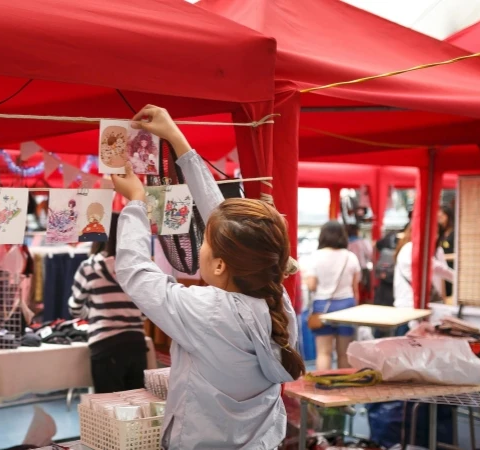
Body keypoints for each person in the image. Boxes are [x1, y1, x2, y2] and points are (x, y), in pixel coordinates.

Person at [111, 105, 303, 449]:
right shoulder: (277, 302)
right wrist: (177, 141)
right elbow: (223, 219)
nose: (199, 245)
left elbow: (135, 271)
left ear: (219, 265)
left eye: (205, 242)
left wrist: (137, 203)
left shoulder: (206, 310)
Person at [68, 213, 147, 393]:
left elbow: (75, 308)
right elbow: (146, 310)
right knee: (135, 409)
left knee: (109, 412)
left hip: (105, 345)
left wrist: (95, 313)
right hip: (136, 343)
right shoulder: (138, 267)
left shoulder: (89, 267)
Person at [303, 221, 361, 371]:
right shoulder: (350, 257)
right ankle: (344, 387)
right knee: (344, 353)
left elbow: (311, 285)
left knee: (324, 352)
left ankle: (324, 387)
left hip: (322, 305)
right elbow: (355, 287)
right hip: (346, 306)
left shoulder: (315, 256)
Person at [393, 224, 454, 334]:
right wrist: (462, 280)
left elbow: (441, 277)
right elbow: (438, 268)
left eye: (437, 232)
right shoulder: (410, 248)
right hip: (408, 310)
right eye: (431, 232)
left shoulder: (436, 250)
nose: (434, 236)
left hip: (427, 309)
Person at [438, 206, 455, 296]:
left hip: (450, 268)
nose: (440, 217)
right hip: (441, 269)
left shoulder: (454, 233)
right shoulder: (440, 234)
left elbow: (458, 254)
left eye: (442, 215)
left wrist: (445, 257)